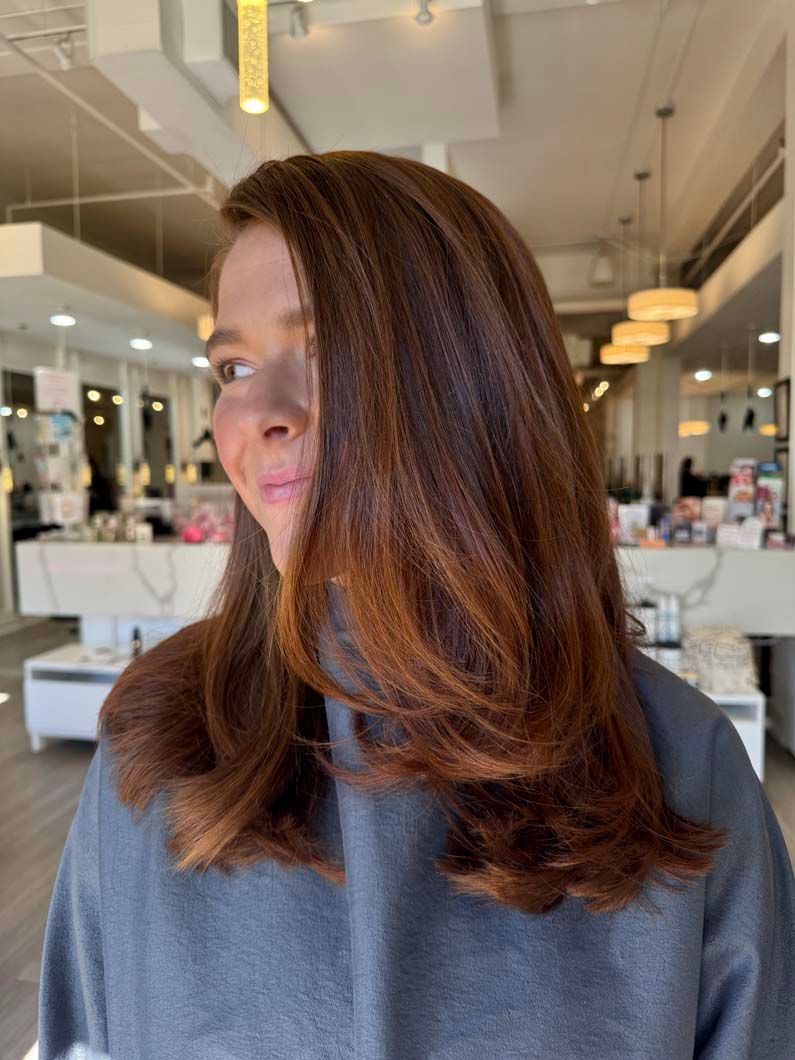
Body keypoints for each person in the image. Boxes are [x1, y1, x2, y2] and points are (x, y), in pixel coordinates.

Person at [38, 152, 794, 1060]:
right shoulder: (158, 738)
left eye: (321, 350)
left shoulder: (679, 762)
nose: (256, 415)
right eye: (233, 366)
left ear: (473, 377)